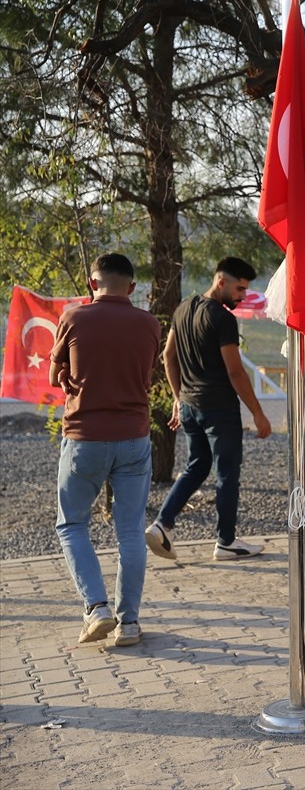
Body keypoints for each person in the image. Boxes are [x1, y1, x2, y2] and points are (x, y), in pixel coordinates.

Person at [49, 253, 161, 647]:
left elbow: (53, 374)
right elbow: (144, 375)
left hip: (85, 437)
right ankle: (129, 623)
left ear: (91, 284)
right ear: (132, 287)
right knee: (130, 531)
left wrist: (66, 378)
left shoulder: (75, 317)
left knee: (72, 524)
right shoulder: (150, 324)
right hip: (134, 437)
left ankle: (96, 608)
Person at [145, 257, 271, 562]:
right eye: (239, 288)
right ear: (221, 281)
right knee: (227, 475)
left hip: (190, 406)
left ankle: (162, 524)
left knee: (197, 466)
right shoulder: (222, 318)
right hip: (219, 409)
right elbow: (235, 372)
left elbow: (167, 355)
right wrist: (258, 413)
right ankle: (226, 541)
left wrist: (178, 398)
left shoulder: (183, 308)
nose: (242, 296)